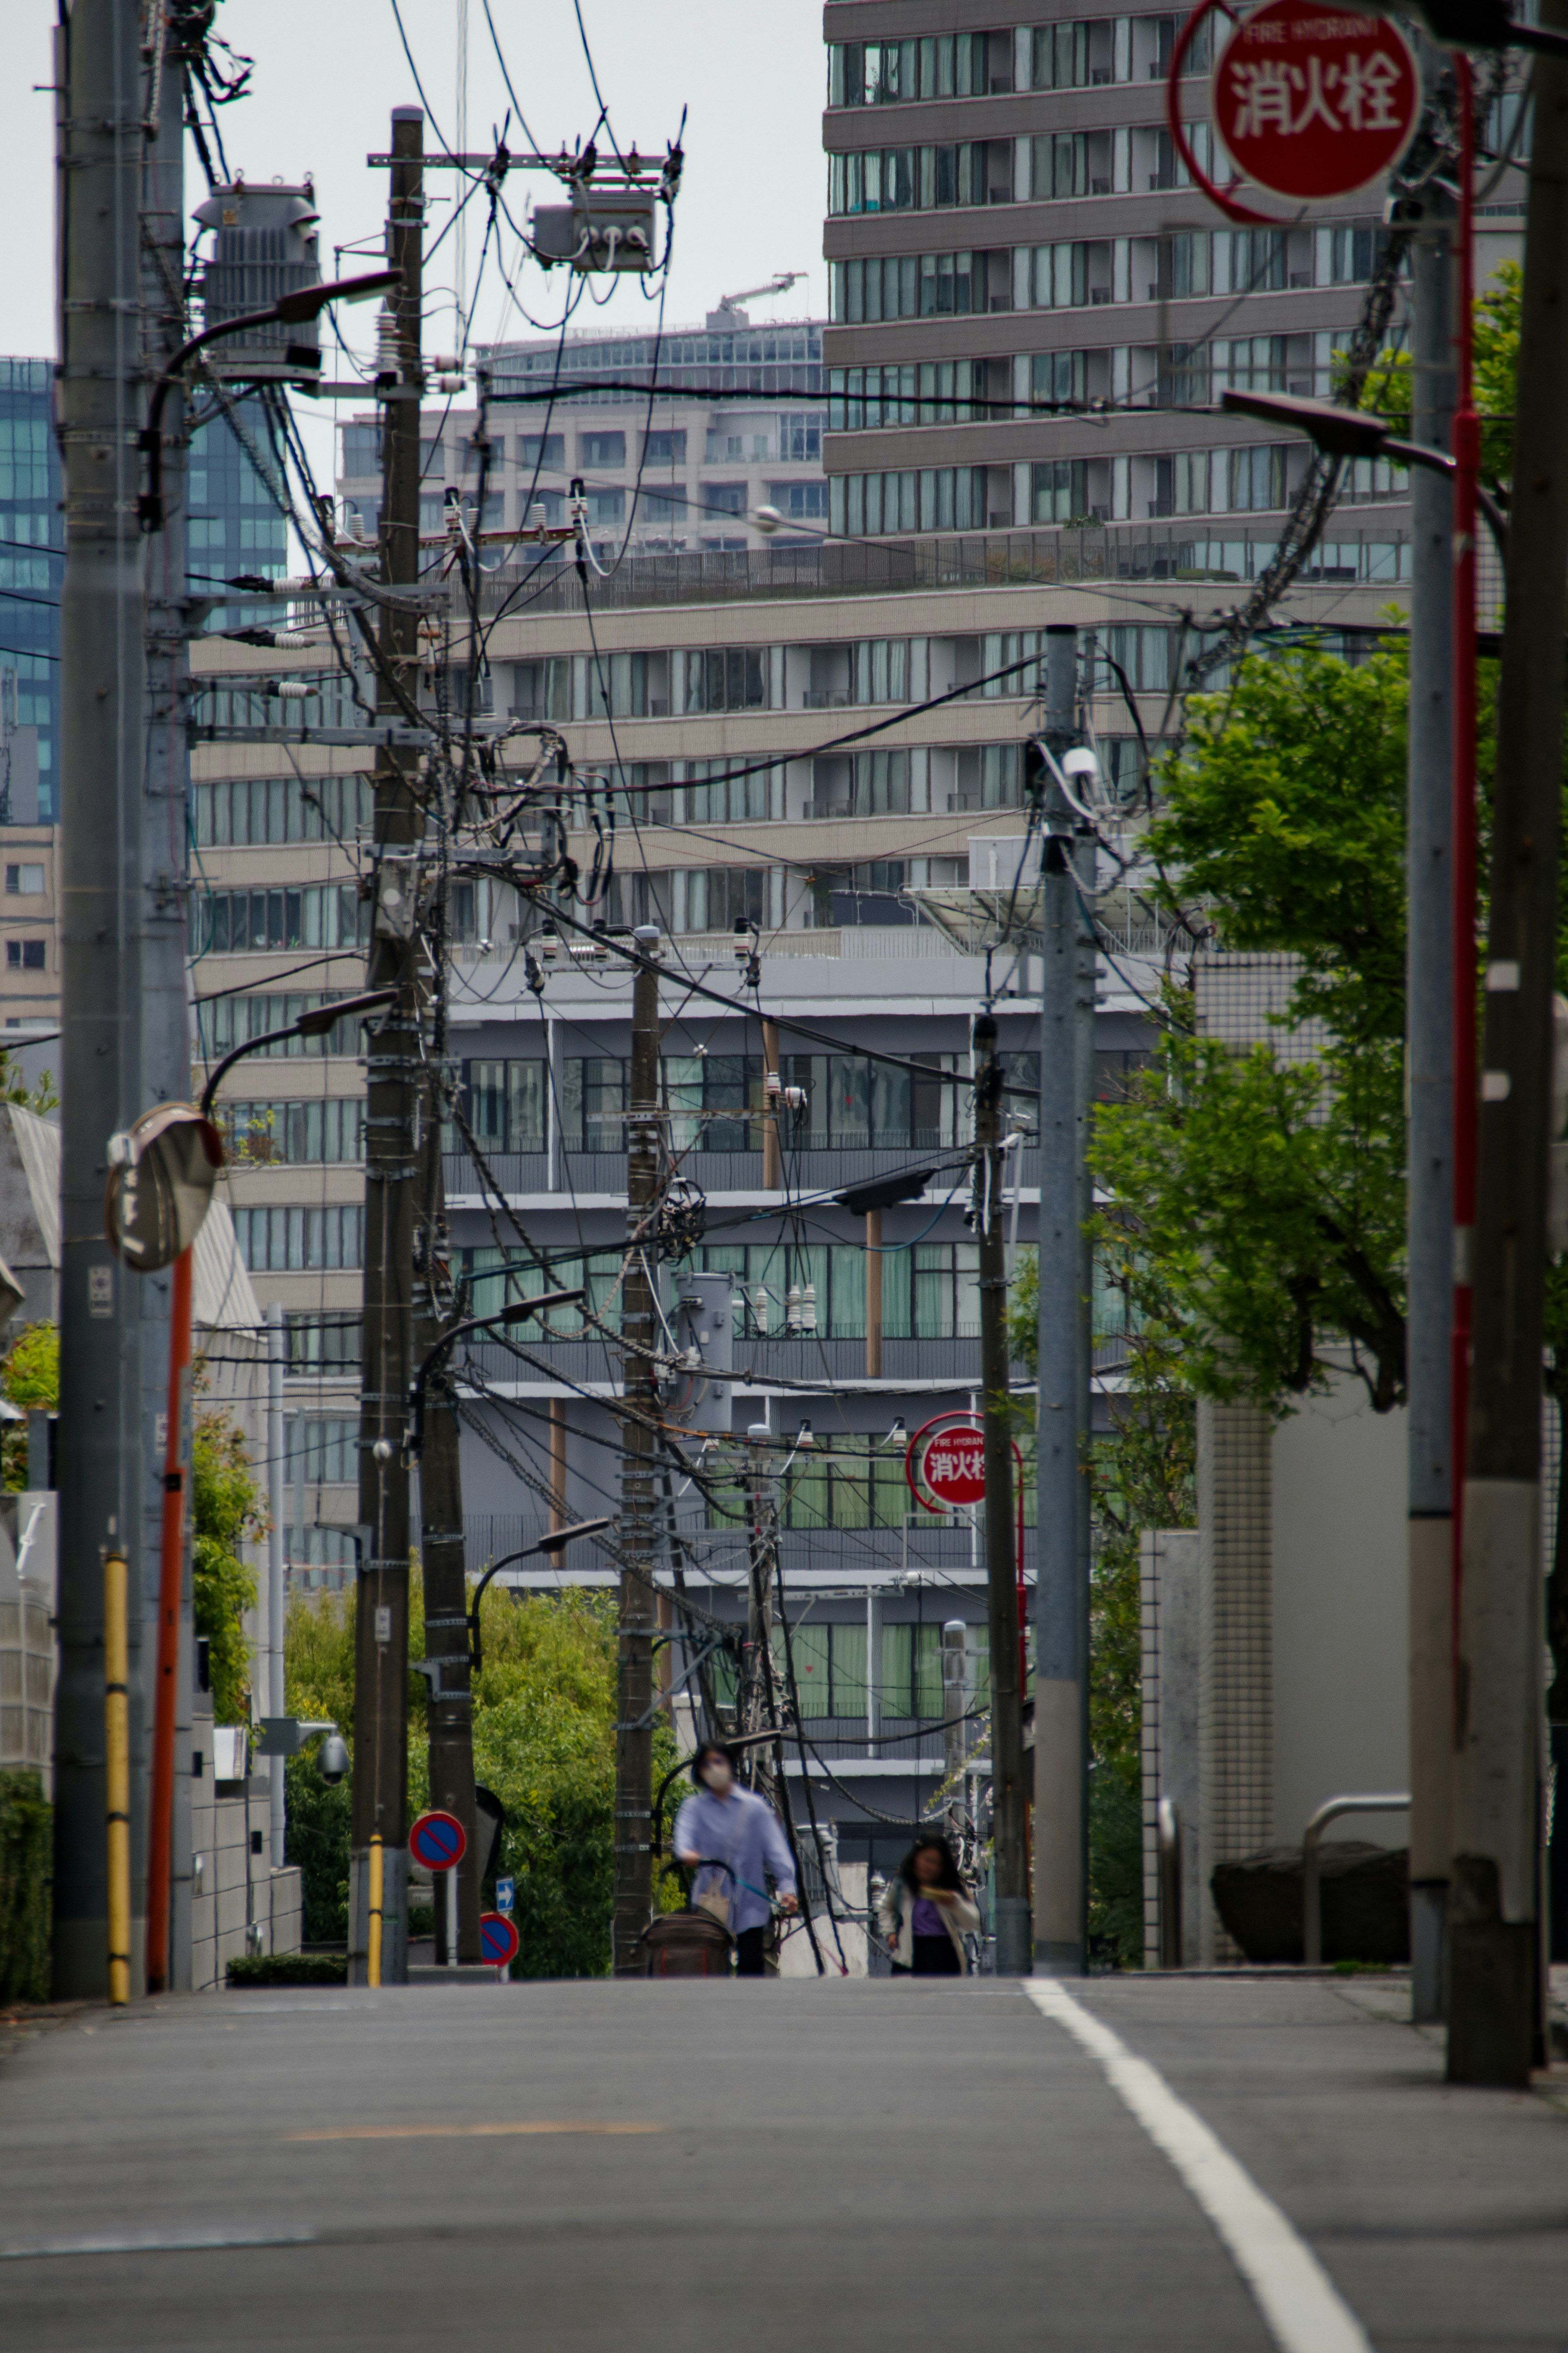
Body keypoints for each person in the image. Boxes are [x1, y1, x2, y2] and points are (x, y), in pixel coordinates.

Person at [673, 1740, 798, 1977]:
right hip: (709, 1905)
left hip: (750, 1906)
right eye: (707, 1764)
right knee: (708, 1973)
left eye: (719, 1762)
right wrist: (688, 1854)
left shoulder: (755, 1808)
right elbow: (684, 1842)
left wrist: (788, 1889)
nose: (714, 1769)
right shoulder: (693, 1808)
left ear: (730, 1766)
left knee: (751, 1974)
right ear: (699, 1771)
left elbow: (776, 1851)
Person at [878, 1833, 979, 1976]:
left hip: (945, 1953)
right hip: (911, 1950)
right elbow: (886, 1909)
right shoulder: (903, 1884)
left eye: (937, 1862)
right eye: (927, 1860)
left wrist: (955, 1904)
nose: (930, 1866)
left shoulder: (951, 1885)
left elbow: (972, 1922)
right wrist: (890, 1933)